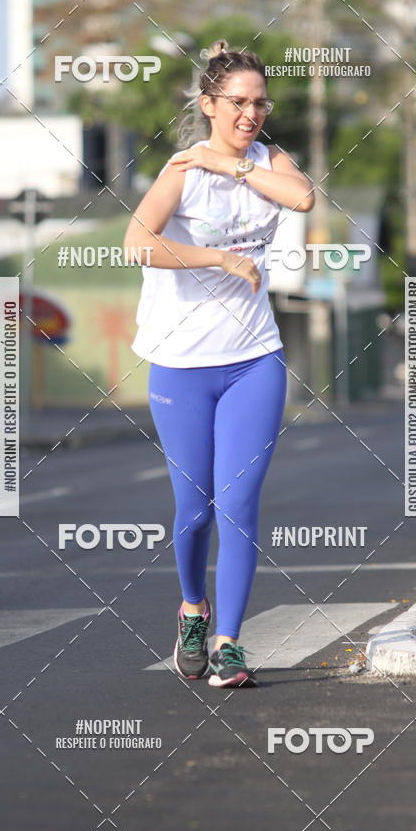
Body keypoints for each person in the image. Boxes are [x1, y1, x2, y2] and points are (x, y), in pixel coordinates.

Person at [123, 39, 314, 687]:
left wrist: (231, 167)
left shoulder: (268, 159)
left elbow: (303, 199)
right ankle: (193, 609)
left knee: (238, 506)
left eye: (259, 103)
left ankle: (230, 641)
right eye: (236, 102)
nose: (250, 114)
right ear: (207, 104)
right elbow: (136, 245)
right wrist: (218, 258)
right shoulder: (180, 170)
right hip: (180, 364)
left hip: (254, 359)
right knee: (195, 509)